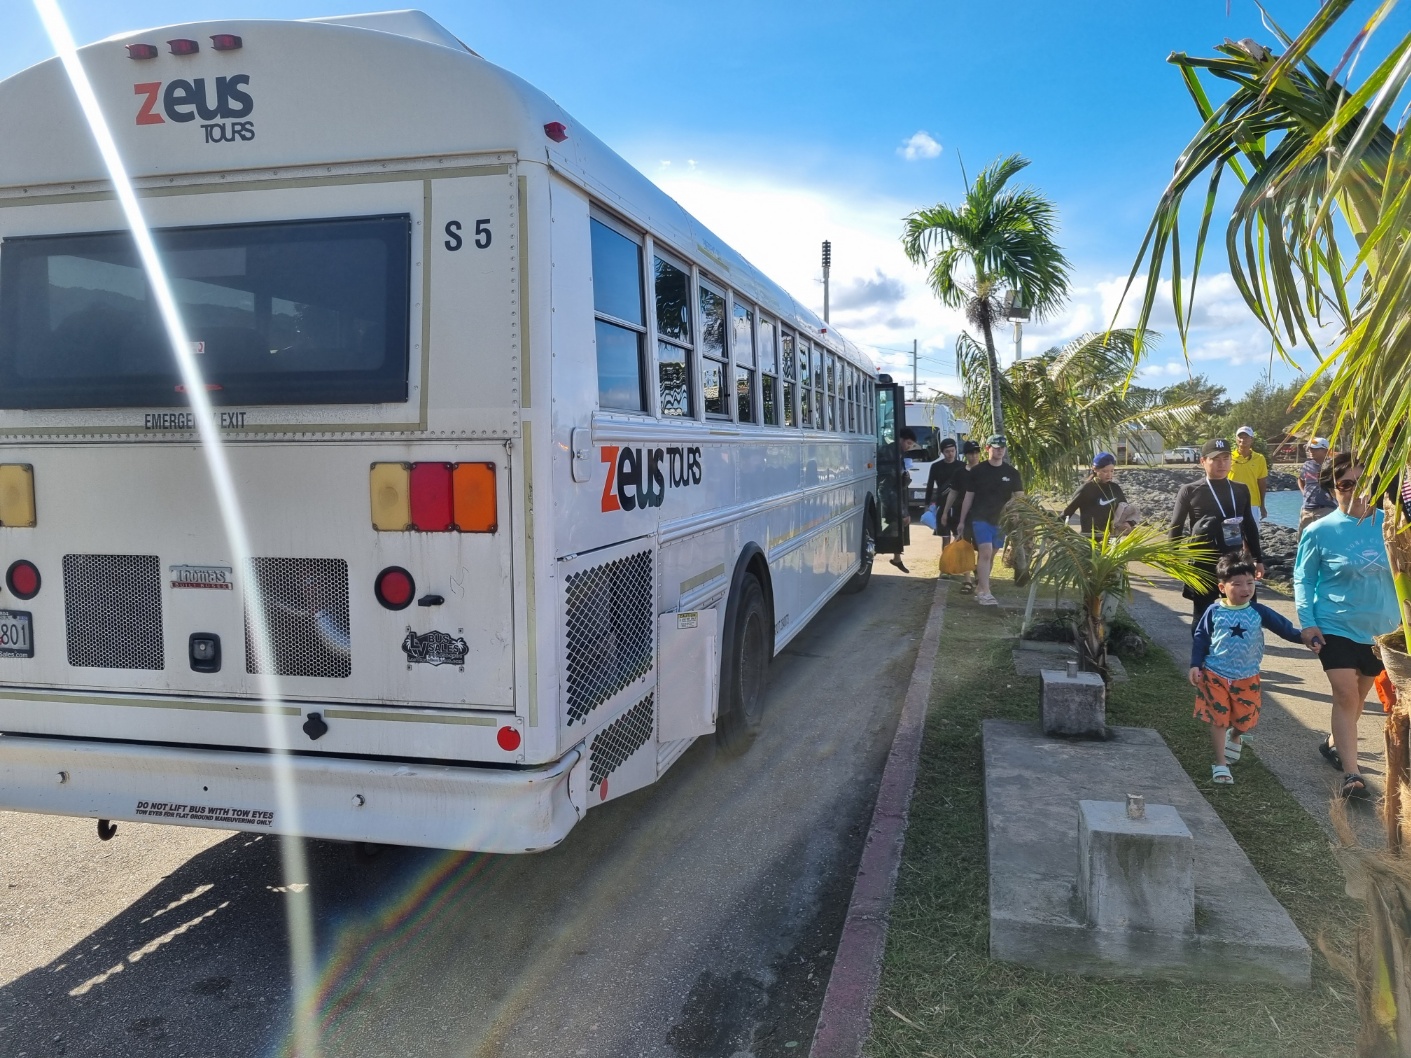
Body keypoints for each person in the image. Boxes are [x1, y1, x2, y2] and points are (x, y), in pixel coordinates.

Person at [1294, 450, 1401, 799]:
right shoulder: (1319, 531)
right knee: (1346, 694)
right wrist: (1307, 622)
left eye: (1362, 483)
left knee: (1360, 695)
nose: (1354, 491)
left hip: (1382, 628)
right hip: (1335, 623)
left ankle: (1333, 742)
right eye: (1345, 484)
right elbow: (1303, 578)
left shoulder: (1392, 524)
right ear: (1332, 488)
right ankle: (1352, 775)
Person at [1189, 553, 1304, 785]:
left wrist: (1307, 639)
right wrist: (1195, 664)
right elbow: (1200, 638)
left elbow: (1286, 629)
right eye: (1238, 584)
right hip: (1215, 674)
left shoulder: (1258, 612)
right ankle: (1220, 763)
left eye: (1250, 583)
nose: (1246, 589)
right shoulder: (1214, 612)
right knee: (1218, 719)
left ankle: (1237, 736)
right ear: (1222, 587)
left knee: (1245, 720)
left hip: (1247, 677)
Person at [1169, 438, 1264, 628]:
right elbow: (1176, 527)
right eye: (1215, 459)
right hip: (1204, 561)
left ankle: (1240, 651)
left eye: (1226, 458)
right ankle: (1201, 656)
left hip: (1235, 561)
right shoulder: (1190, 490)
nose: (1222, 463)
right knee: (1201, 616)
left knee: (1246, 612)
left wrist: (1258, 559)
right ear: (1203, 461)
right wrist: (1173, 560)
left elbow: (1250, 526)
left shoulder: (1240, 489)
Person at [955, 434, 1025, 606]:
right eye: (996, 447)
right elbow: (968, 498)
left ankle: (980, 587)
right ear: (988, 449)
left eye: (1002, 447)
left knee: (990, 555)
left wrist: (1018, 516)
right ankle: (986, 592)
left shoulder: (1012, 473)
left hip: (1001, 521)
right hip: (980, 518)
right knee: (985, 552)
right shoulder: (977, 471)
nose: (999, 450)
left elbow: (1020, 499)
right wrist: (962, 521)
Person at [1062, 452, 1135, 538]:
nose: (1109, 475)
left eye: (1112, 471)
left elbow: (1127, 511)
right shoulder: (1086, 489)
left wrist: (1129, 523)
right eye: (1105, 471)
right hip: (1089, 538)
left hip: (1111, 539)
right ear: (1095, 469)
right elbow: (1067, 513)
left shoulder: (1115, 489)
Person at [1229, 425, 1270, 521]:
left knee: (1252, 534)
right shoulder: (1228, 457)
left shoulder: (1259, 458)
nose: (1243, 440)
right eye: (1240, 437)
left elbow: (1262, 483)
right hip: (1231, 502)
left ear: (1251, 439)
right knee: (1232, 534)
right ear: (1236, 439)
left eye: (1246, 437)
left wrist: (1262, 505)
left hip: (1252, 503)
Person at [924, 437, 962, 543]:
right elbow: (930, 485)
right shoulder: (936, 466)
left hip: (958, 505)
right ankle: (946, 558)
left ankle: (956, 558)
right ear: (942, 452)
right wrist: (927, 504)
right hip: (942, 504)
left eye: (952, 451)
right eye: (947, 451)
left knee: (958, 536)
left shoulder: (961, 466)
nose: (950, 454)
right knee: (945, 537)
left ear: (955, 450)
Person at [1298, 437, 1336, 535]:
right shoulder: (1307, 465)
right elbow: (1300, 479)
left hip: (1326, 509)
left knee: (1326, 538)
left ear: (1325, 450)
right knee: (1303, 539)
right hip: (1307, 509)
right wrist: (1304, 493)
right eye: (1310, 448)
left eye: (1315, 449)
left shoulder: (1333, 466)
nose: (1311, 451)